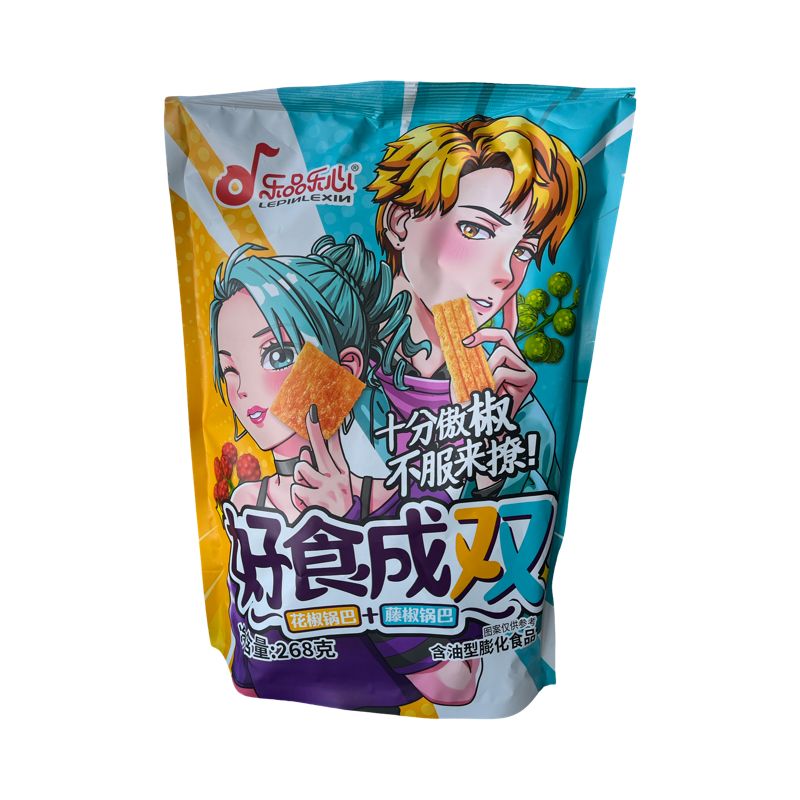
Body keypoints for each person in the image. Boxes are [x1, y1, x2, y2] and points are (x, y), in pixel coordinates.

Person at [209, 233, 481, 710]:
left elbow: (455, 685)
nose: (244, 390)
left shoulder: (405, 506)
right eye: (230, 370)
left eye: (275, 356)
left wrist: (353, 520)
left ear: (347, 368)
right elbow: (247, 677)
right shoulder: (249, 505)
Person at [367, 114, 586, 496]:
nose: (504, 273)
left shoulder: (520, 412)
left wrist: (492, 437)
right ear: (400, 222)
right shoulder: (335, 361)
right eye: (475, 229)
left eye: (523, 250)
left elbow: (526, 525)